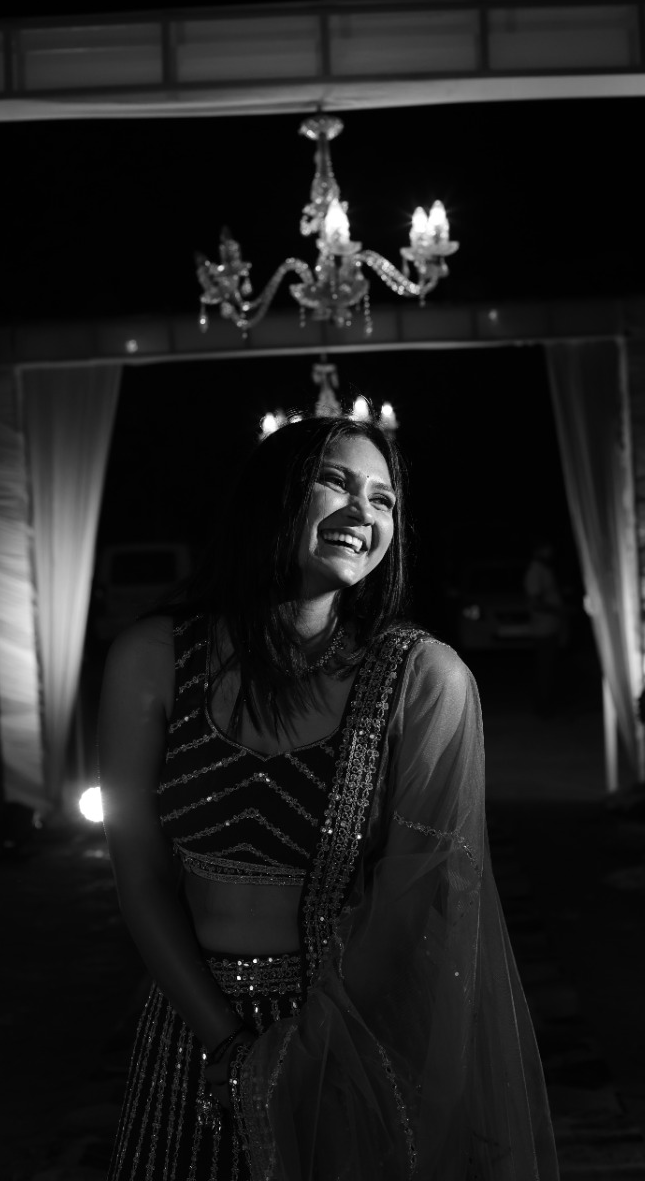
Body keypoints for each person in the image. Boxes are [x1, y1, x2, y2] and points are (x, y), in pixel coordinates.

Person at [99, 413, 558, 1181]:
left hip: (351, 1037)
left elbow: (416, 900)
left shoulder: (422, 679)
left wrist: (298, 1059)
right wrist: (226, 1043)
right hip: (192, 1028)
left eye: (382, 499)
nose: (361, 512)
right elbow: (138, 871)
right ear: (269, 499)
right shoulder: (153, 658)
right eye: (335, 483)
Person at [523, 541, 567, 717]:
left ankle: (547, 705)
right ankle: (543, 708)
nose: (551, 552)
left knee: (550, 668)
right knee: (545, 669)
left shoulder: (545, 570)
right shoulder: (535, 572)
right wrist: (559, 610)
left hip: (552, 626)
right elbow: (535, 602)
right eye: (547, 549)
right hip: (543, 628)